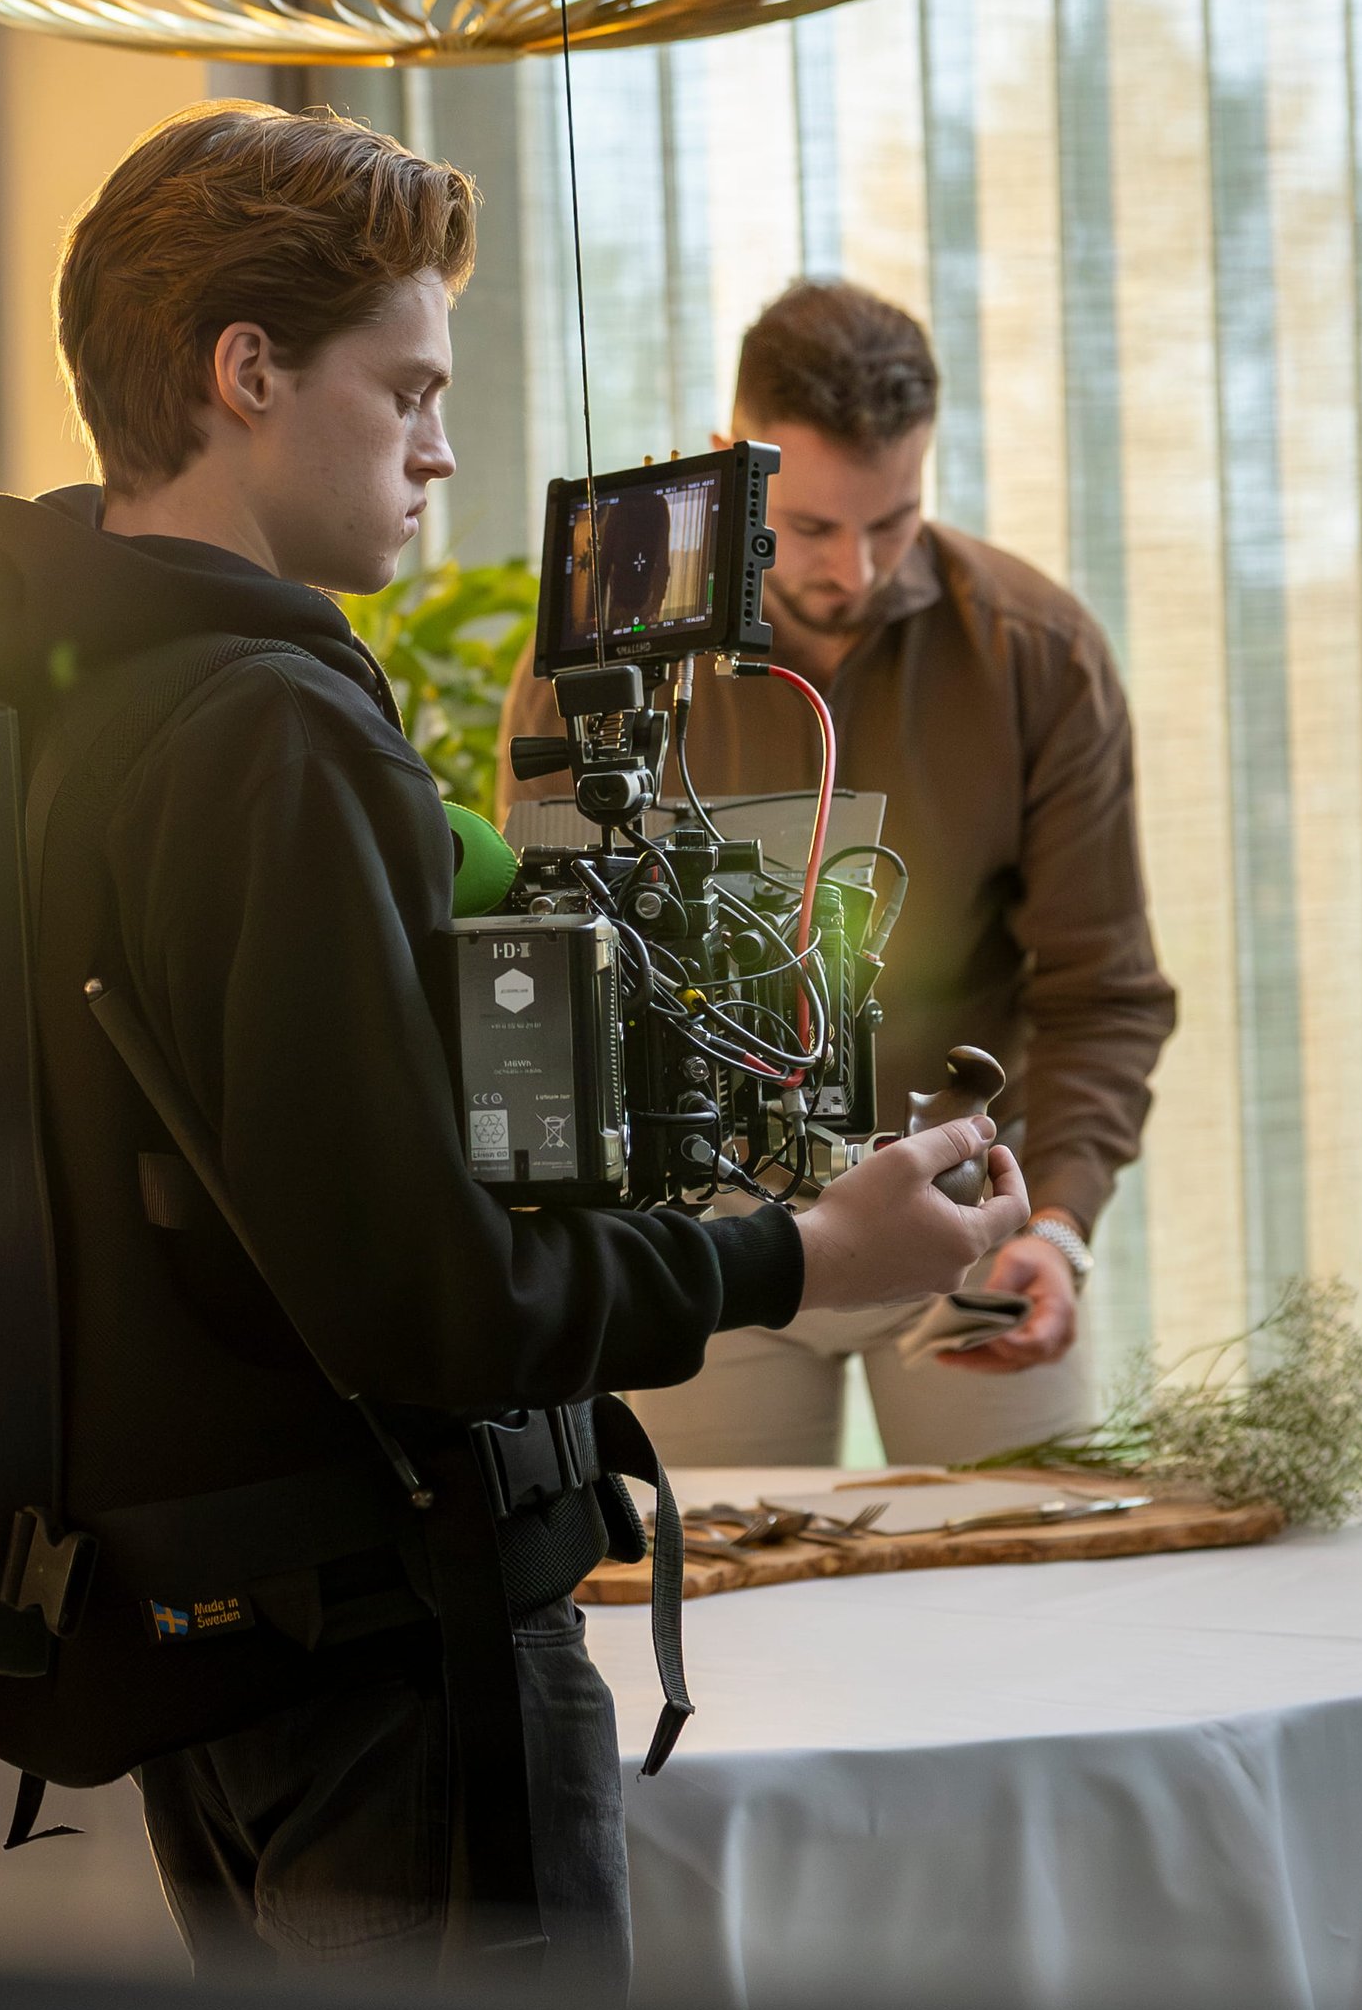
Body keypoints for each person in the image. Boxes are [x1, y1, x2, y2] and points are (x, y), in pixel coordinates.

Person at [0, 111, 1027, 1989]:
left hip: (211, 1640)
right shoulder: (269, 733)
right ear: (250, 370)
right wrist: (807, 1254)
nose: (446, 447)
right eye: (412, 389)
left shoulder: (47, 697)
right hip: (384, 1663)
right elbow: (427, 1298)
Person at [498, 277, 1177, 1468]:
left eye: (894, 520)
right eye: (810, 528)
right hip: (704, 1236)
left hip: (967, 1218)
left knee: (1040, 1614)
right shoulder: (598, 663)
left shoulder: (1039, 653)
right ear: (731, 465)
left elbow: (1100, 994)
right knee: (721, 1628)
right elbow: (560, 978)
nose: (855, 570)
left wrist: (1056, 1228)